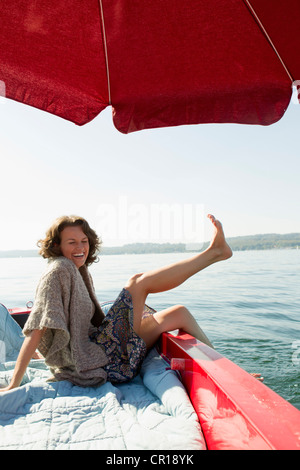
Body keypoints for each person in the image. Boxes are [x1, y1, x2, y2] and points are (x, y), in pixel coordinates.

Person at [0, 214, 232, 391]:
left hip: (110, 357)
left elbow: (78, 323)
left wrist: (52, 352)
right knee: (138, 282)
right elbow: (37, 327)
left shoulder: (79, 270)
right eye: (71, 242)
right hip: (104, 363)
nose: (80, 247)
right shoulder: (59, 270)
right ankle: (214, 253)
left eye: (84, 240)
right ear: (56, 246)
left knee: (179, 313)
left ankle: (228, 374)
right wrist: (13, 384)